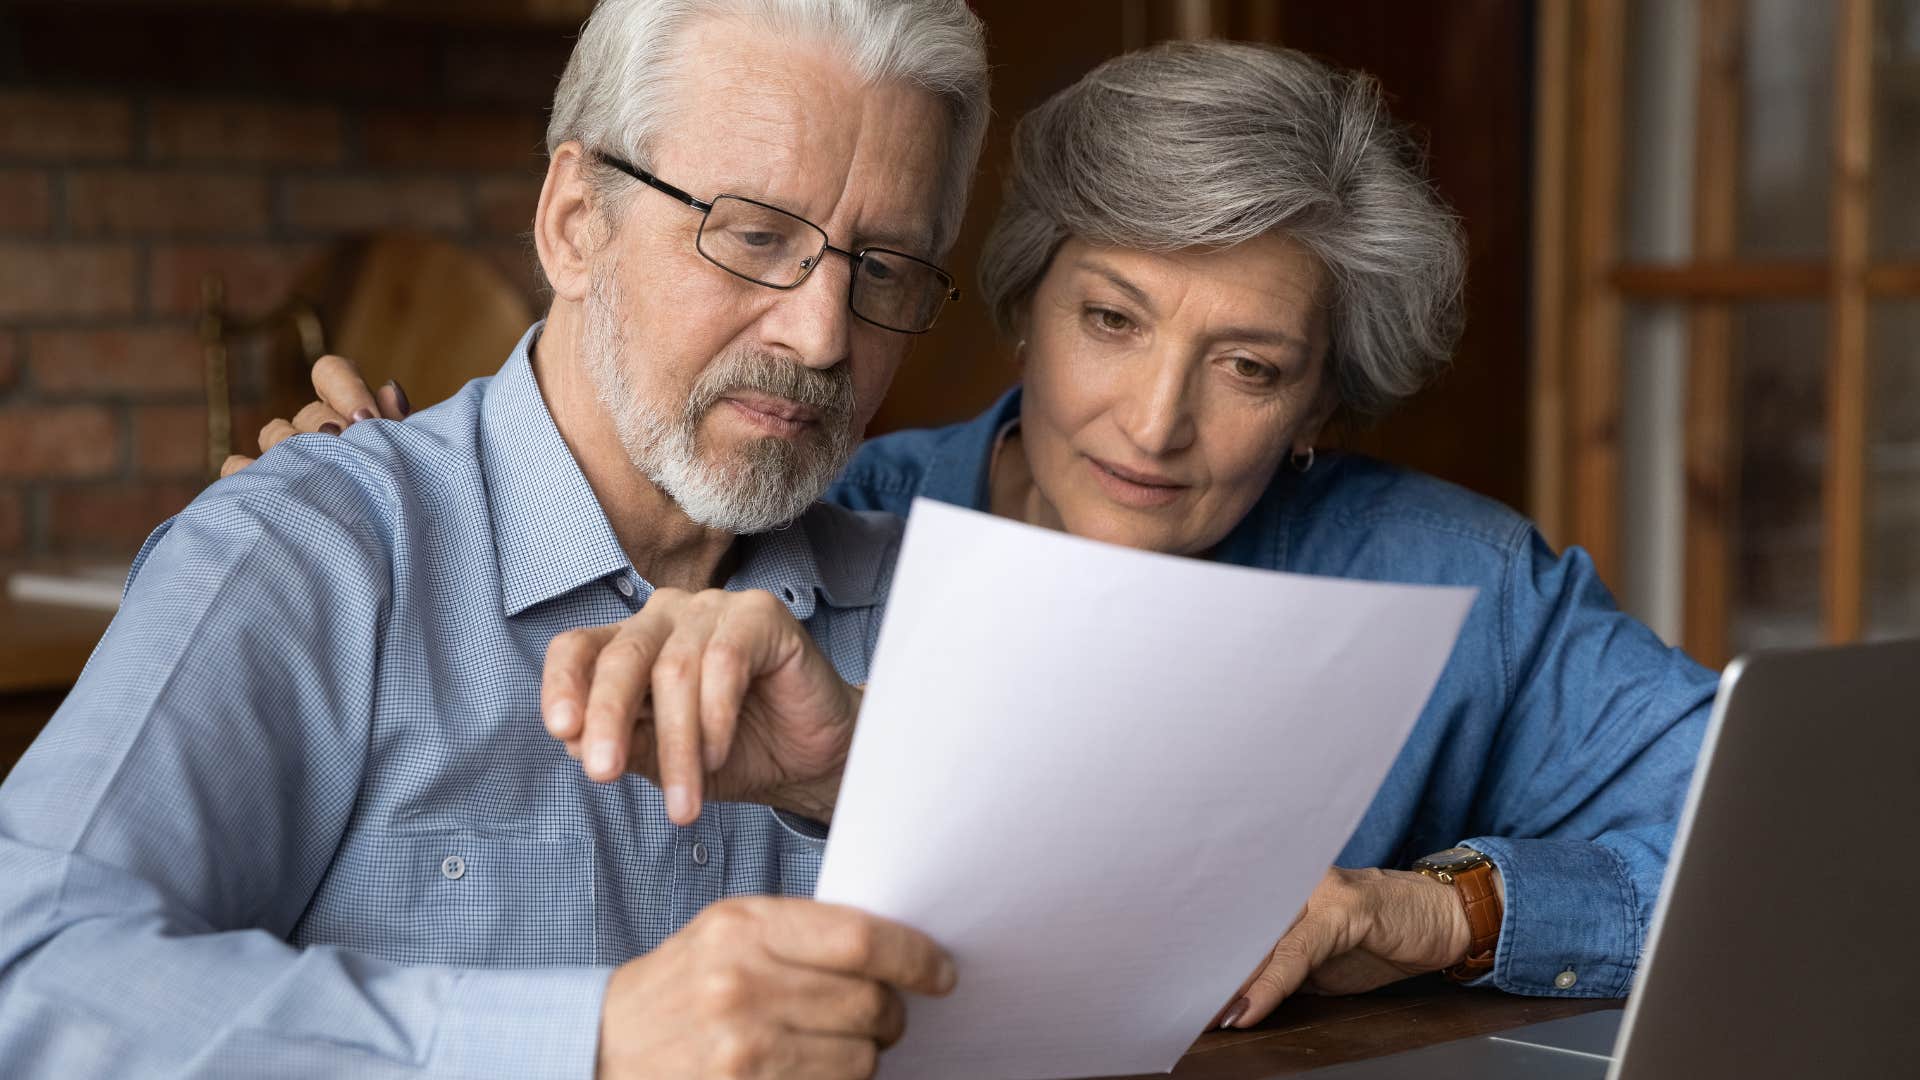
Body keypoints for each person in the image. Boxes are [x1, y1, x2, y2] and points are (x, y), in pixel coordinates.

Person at [261, 41, 1717, 1033]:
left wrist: (1436, 912)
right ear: (1024, 301)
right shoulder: (819, 527)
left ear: (1325, 400)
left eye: (1251, 367)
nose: (1154, 423)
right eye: (1113, 321)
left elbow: (1787, 849)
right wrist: (407, 505)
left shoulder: (1456, 581)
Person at [0, 2, 993, 1077]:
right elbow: (31, 976)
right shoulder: (312, 554)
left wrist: (859, 779)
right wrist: (591, 1044)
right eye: (756, 236)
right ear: (574, 220)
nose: (823, 334)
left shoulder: (936, 609)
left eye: (884, 267)